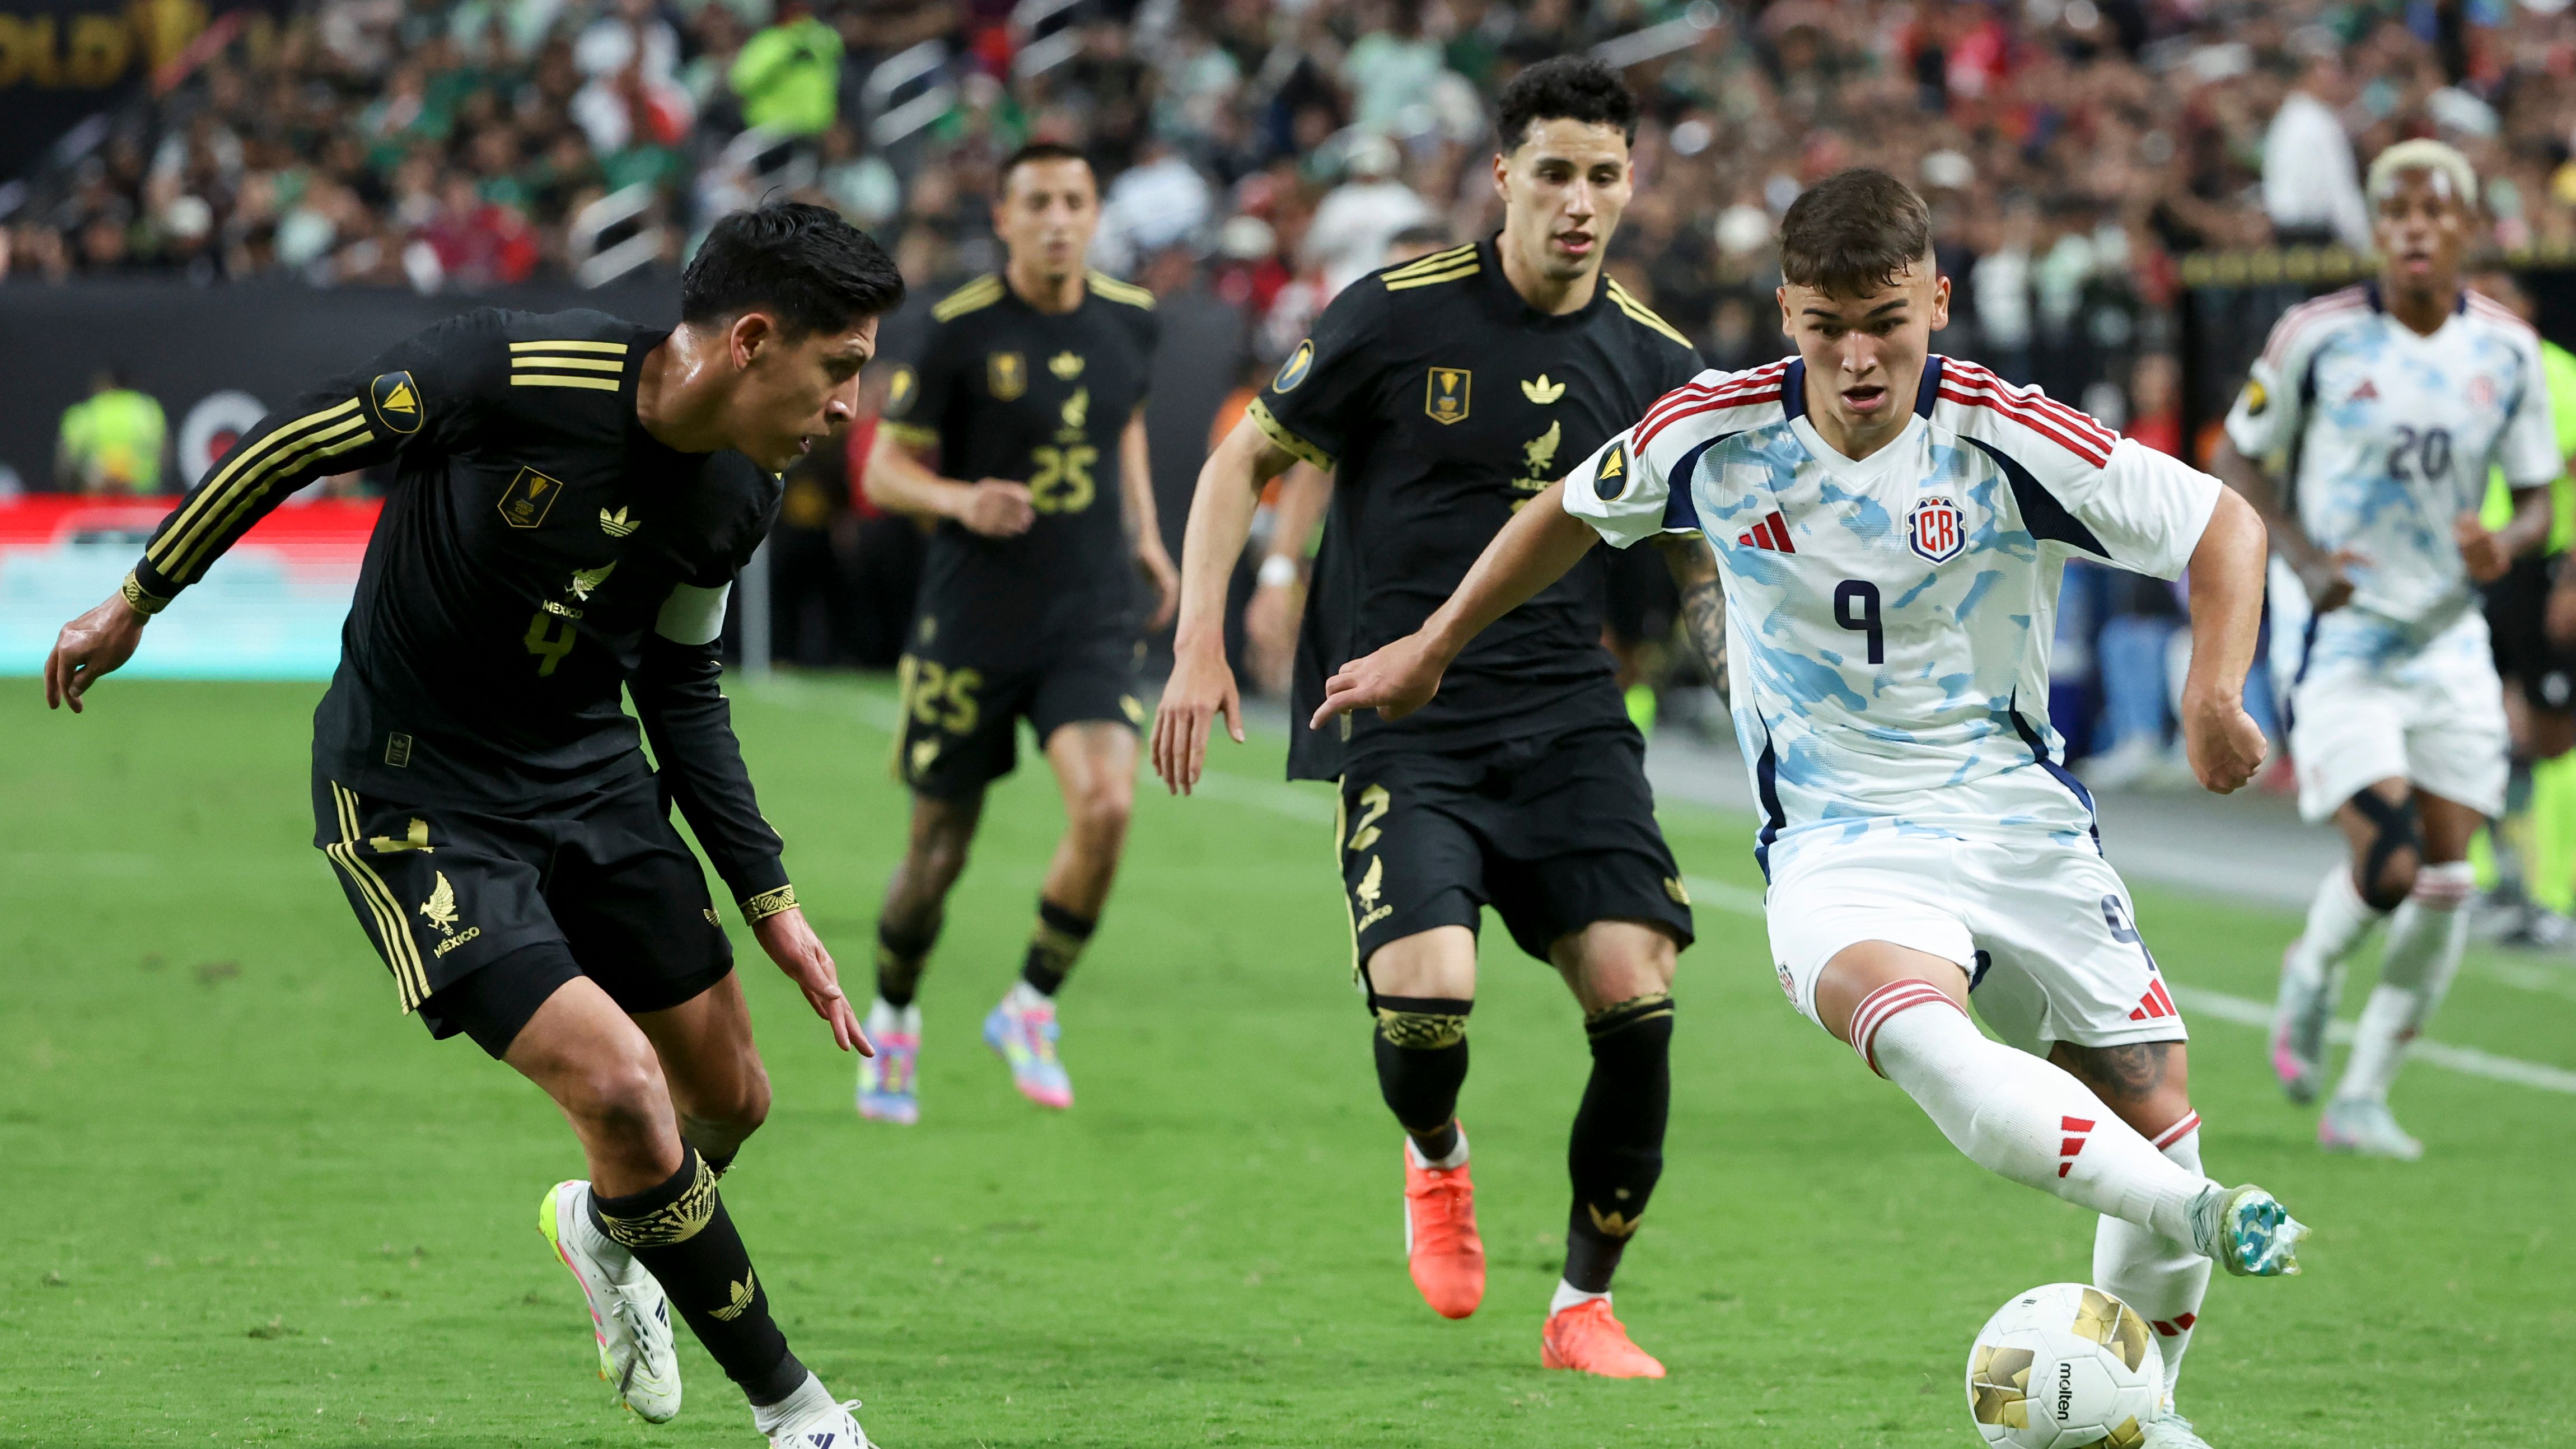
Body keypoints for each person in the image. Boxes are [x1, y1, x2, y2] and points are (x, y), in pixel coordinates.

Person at [1312, 168, 2307, 1447]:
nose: (1855, 357)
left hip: (2016, 819)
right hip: (1838, 841)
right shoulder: (1711, 434)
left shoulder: (2007, 434)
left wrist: (2211, 688)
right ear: (1784, 311)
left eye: (1884, 322)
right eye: (1824, 325)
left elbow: (2221, 521)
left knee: (2154, 1095)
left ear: (1935, 302)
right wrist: (1433, 642)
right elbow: (1562, 511)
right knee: (1931, 1041)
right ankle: (2196, 1210)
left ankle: (2145, 1415)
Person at [41, 200, 900, 1449]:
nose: (846, 410)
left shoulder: (740, 493)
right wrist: (139, 596)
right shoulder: (507, 370)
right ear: (755, 340)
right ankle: (802, 1418)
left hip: (590, 776)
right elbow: (292, 442)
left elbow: (680, 685)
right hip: (414, 792)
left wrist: (770, 900)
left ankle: (605, 1229)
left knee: (729, 1100)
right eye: (841, 371)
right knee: (620, 1091)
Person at [1154, 58, 1712, 1378]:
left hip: (1570, 716)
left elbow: (1700, 549)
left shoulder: (1655, 360)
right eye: (1555, 172)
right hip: (1404, 716)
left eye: (1603, 175)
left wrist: (1736, 661)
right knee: (1428, 999)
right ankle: (1437, 1154)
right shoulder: (1394, 316)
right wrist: (1200, 639)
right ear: (1502, 177)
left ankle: (1583, 1303)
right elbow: (1247, 455)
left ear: (1630, 184)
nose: (1579, 201)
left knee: (1637, 993)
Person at [2213, 141, 2561, 1160]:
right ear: (2375, 228)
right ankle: (2313, 974)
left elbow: (2539, 496)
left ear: (2467, 229)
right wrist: (2308, 557)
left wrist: (2509, 539)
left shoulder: (2506, 350)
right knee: (2396, 861)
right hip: (2343, 635)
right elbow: (2238, 453)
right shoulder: (2314, 336)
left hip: (2448, 636)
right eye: (2395, 209)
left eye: (2434, 209)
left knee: (2451, 879)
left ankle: (2362, 1096)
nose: (2414, 225)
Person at [859, 142, 1176, 1123]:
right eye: (1036, 200)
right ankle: (895, 1014)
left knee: (1109, 806)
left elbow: (1120, 419)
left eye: (1074, 199)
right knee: (937, 850)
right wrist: (960, 498)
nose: (1056, 218)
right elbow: (883, 472)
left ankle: (1030, 1003)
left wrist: (1149, 536)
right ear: (1002, 217)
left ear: (1094, 213)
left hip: (1085, 614)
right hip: (972, 622)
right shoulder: (956, 329)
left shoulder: (1132, 320)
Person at [2465, 268, 2576, 946]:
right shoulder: (2468, 379)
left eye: (2495, 302)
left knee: (2554, 730)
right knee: (2479, 718)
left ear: (2525, 309)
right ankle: (2485, 875)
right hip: (2486, 572)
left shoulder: (2555, 373)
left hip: (2541, 569)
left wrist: (2569, 580)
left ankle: (2554, 893)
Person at [55, 366, 168, 494]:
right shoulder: (147, 410)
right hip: (140, 496)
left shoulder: (85, 413)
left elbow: (66, 464)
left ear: (103, 385)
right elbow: (163, 456)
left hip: (96, 496)